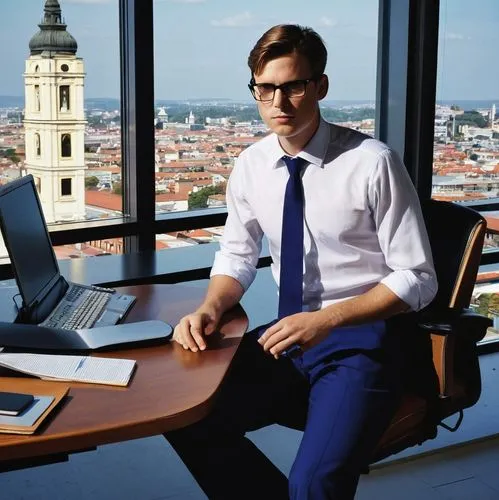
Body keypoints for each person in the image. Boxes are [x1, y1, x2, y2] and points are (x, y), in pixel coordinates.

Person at [165, 24, 438, 500]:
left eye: (293, 86)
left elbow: (418, 278)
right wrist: (211, 307)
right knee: (187, 417)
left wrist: (327, 319)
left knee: (313, 486)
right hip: (287, 338)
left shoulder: (372, 163)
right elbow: (237, 253)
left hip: (363, 342)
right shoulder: (251, 164)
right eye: (265, 89)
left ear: (320, 86)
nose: (279, 103)